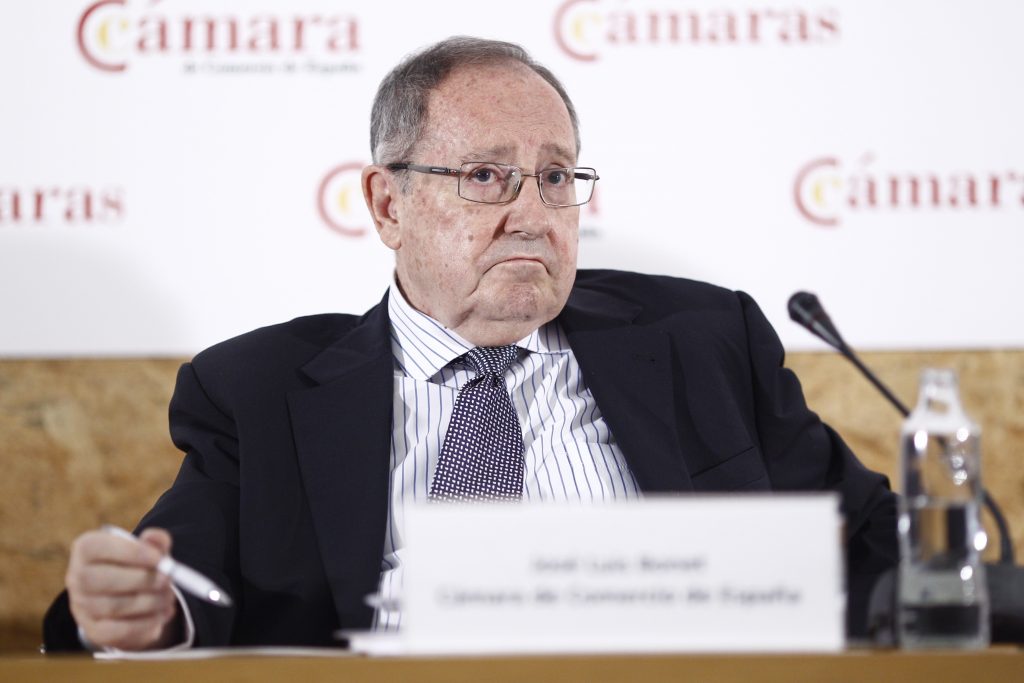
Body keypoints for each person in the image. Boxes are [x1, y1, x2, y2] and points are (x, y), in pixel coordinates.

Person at [44, 36, 897, 652]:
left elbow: (877, 546)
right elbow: (170, 591)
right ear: (388, 205)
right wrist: (131, 611)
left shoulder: (702, 341)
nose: (532, 213)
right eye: (485, 175)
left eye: (556, 176)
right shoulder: (258, 393)